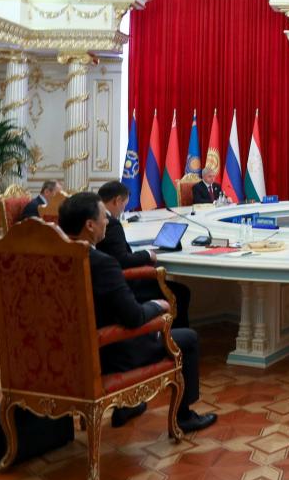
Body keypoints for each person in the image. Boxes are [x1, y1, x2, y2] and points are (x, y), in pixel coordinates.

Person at [58, 192, 216, 433]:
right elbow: (133, 317)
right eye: (104, 217)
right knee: (188, 339)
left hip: (63, 354)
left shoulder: (52, 259)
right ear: (90, 225)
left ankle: (128, 406)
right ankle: (184, 417)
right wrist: (157, 306)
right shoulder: (102, 263)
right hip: (112, 353)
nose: (108, 222)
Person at [96, 180, 192, 328]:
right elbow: (122, 259)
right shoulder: (111, 223)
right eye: (124, 205)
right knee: (181, 292)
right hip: (124, 285)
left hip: (103, 285)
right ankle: (175, 338)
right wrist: (147, 255)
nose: (123, 210)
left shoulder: (94, 217)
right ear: (117, 200)